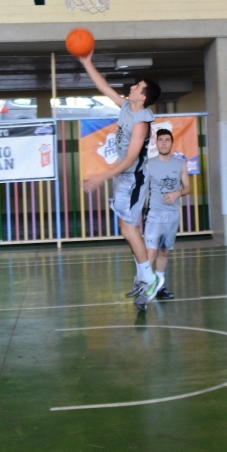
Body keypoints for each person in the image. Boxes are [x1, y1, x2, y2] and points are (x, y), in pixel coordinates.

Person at [77, 51, 162, 310]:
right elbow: (103, 87)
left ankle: (150, 279)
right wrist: (87, 62)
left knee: (129, 230)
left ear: (143, 96)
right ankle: (142, 277)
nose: (133, 86)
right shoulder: (126, 106)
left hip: (134, 179)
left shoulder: (141, 123)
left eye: (138, 86)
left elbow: (129, 161)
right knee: (127, 229)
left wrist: (100, 178)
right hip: (124, 178)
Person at [141, 128, 191, 300]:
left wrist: (177, 193)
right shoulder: (149, 164)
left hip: (172, 214)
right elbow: (140, 187)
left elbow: (187, 188)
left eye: (167, 140)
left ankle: (160, 287)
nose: (163, 143)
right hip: (154, 213)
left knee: (164, 251)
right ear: (156, 143)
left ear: (171, 143)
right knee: (150, 252)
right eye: (160, 140)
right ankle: (144, 287)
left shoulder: (180, 164)